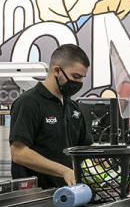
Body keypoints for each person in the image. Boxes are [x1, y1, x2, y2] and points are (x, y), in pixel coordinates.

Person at [9, 44, 92, 189]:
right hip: (35, 198)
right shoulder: (29, 103)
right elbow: (18, 153)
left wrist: (116, 167)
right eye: (75, 76)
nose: (78, 83)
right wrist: (64, 171)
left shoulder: (73, 107)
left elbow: (87, 147)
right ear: (57, 71)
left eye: (82, 78)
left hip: (69, 193)